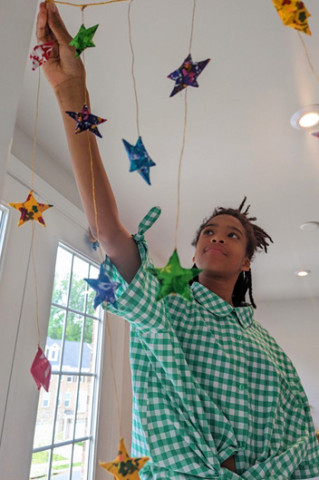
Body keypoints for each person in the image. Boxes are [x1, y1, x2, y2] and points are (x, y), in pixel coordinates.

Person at [36, 3, 319, 479]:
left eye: (233, 235)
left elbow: (301, 445)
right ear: (193, 253)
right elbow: (108, 231)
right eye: (208, 231)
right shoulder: (167, 304)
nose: (217, 237)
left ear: (247, 261)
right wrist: (70, 89)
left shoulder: (271, 351)